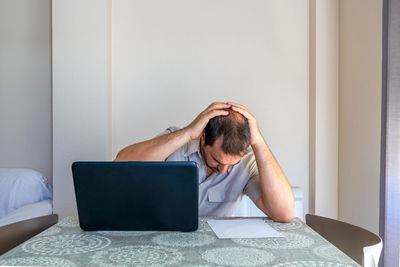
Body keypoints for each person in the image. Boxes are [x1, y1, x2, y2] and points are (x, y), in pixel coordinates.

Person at [115, 102, 295, 222]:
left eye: (231, 164)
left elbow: (284, 213)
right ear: (202, 137)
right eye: (217, 160)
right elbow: (120, 165)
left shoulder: (247, 162)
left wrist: (259, 143)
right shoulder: (175, 143)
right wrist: (188, 132)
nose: (223, 170)